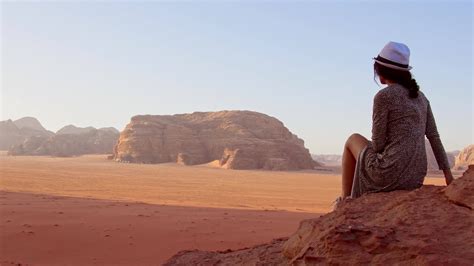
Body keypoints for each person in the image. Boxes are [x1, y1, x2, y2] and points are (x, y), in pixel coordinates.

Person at [335, 41, 454, 208]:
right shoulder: (422, 98)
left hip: (388, 174)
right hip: (415, 178)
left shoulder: (383, 96)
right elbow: (433, 136)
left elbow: (378, 145)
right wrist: (448, 174)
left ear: (382, 71)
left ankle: (344, 201)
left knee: (352, 140)